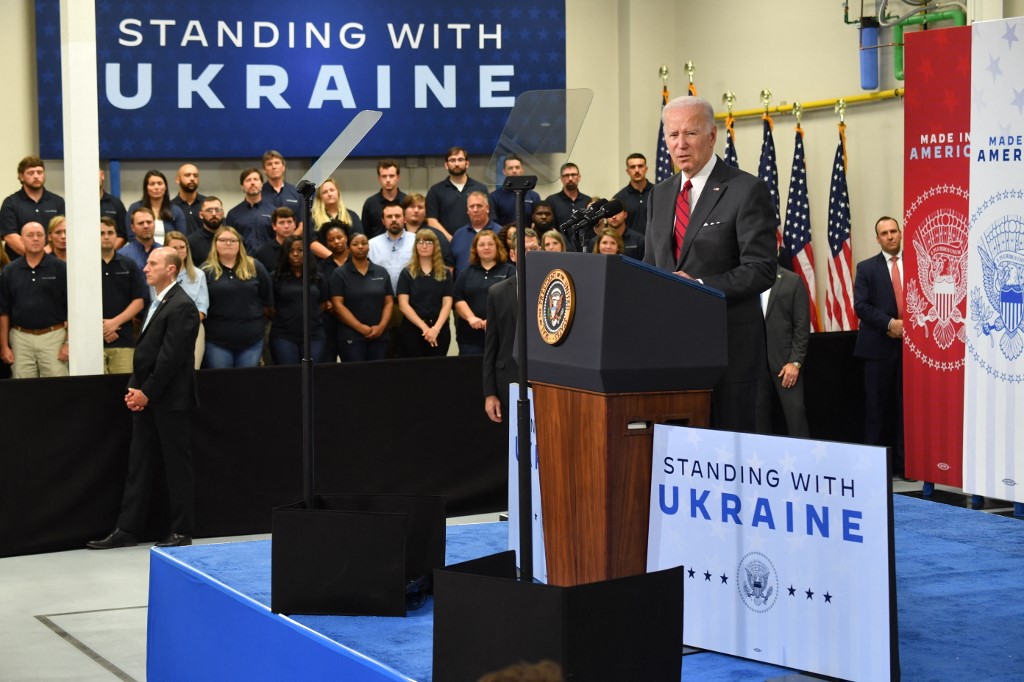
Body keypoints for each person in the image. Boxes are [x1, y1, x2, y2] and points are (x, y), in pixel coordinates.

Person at [643, 96, 777, 433]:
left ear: (713, 135)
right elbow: (650, 264)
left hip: (728, 347)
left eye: (690, 133)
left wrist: (700, 289)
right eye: (672, 135)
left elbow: (761, 268)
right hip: (669, 347)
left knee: (726, 442)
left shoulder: (746, 189)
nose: (680, 144)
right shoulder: (659, 195)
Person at [87, 247, 200, 550]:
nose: (145, 268)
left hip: (170, 400)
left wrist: (147, 392)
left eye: (152, 264)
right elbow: (147, 354)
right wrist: (135, 390)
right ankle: (128, 528)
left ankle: (181, 529)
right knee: (139, 464)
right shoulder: (158, 302)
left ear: (171, 270)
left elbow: (170, 358)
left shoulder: (182, 306)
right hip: (147, 396)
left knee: (176, 466)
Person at [854, 216, 906, 475]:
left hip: (912, 351)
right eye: (884, 233)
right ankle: (873, 469)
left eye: (893, 231)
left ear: (900, 233)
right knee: (876, 408)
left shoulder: (920, 265)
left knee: (907, 409)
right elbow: (861, 306)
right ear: (878, 239)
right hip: (878, 349)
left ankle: (905, 464)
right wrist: (889, 324)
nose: (890, 236)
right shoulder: (866, 268)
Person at [483, 228, 540, 423]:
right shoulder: (497, 293)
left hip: (545, 382)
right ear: (513, 255)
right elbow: (492, 345)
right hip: (509, 381)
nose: (531, 254)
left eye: (535, 249)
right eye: (525, 249)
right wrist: (489, 393)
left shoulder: (554, 288)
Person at [0, 221, 69, 378]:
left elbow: (71, 308)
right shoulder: (10, 270)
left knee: (58, 387)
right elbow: (3, 311)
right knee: (23, 390)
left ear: (46, 238)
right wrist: (4, 346)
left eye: (39, 235)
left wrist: (68, 343)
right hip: (20, 338)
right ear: (22, 239)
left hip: (54, 337)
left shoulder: (60, 268)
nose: (35, 239)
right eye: (30, 235)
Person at [201, 226, 273, 369]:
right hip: (217, 341)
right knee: (222, 384)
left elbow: (268, 300)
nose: (228, 243)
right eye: (223, 240)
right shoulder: (205, 271)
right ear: (215, 243)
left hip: (251, 340)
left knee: (246, 385)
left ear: (239, 244)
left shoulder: (255, 267)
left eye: (233, 240)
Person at [756, 267, 811, 438]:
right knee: (758, 421)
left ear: (777, 247)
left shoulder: (793, 280)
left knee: (795, 419)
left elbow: (801, 326)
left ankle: (803, 460)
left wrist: (795, 361)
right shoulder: (749, 280)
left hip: (785, 364)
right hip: (755, 365)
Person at [328, 232, 394, 362]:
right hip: (351, 336)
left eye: (364, 243)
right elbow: (338, 305)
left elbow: (389, 302)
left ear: (369, 246)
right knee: (356, 377)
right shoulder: (339, 274)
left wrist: (381, 327)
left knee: (378, 376)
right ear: (349, 247)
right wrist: (360, 327)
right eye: (355, 244)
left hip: (379, 335)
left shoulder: (381, 271)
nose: (360, 247)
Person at [269, 236, 328, 365]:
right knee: (289, 376)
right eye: (291, 251)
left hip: (314, 335)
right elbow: (270, 308)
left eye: (300, 250)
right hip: (283, 335)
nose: (295, 254)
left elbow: (324, 304)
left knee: (313, 375)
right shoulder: (275, 277)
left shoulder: (318, 277)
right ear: (285, 253)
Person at [454, 230, 514, 355]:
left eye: (490, 244)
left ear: (497, 247)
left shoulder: (509, 270)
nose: (486, 248)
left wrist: (493, 320)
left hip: (501, 336)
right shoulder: (466, 273)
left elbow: (513, 299)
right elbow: (457, 298)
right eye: (481, 245)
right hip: (470, 339)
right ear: (475, 249)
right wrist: (471, 318)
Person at [396, 228, 454, 357]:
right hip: (413, 329)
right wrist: (425, 328)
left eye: (428, 242)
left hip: (439, 329)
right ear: (415, 246)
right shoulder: (407, 273)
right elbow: (403, 305)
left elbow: (447, 303)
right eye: (420, 242)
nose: (424, 245)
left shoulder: (445, 273)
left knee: (437, 371)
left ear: (436, 246)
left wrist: (435, 329)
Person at [100, 217, 147, 374]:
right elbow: (78, 302)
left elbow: (139, 301)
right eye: (101, 233)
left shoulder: (129, 264)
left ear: (116, 235)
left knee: (122, 389)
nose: (106, 236)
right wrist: (101, 328)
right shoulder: (84, 265)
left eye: (110, 232)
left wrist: (114, 323)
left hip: (123, 339)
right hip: (91, 341)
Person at [0, 156, 65, 260]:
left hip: (52, 262)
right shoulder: (10, 203)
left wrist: (45, 257)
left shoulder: (58, 201)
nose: (36, 176)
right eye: (31, 173)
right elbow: (10, 237)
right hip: (18, 263)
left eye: (39, 172)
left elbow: (61, 232)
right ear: (21, 177)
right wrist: (35, 256)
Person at [164, 230, 210, 370]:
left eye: (182, 247)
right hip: (166, 328)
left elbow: (202, 305)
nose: (179, 251)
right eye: (174, 248)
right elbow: (157, 302)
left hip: (193, 327)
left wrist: (187, 323)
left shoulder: (198, 274)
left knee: (191, 369)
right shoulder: (160, 274)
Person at [425, 146, 488, 238]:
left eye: (460, 160)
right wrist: (452, 240)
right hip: (446, 246)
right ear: (446, 165)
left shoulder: (481, 189)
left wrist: (478, 240)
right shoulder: (435, 190)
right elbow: (431, 220)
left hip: (477, 244)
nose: (457, 164)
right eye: (452, 160)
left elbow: (488, 218)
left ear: (467, 163)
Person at [318, 221, 350, 362]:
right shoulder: (321, 267)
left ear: (346, 237)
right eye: (331, 239)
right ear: (326, 243)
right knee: (328, 362)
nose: (336, 242)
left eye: (339, 237)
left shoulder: (359, 261)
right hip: (329, 321)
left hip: (355, 320)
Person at [450, 191, 502, 279]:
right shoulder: (458, 235)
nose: (475, 210)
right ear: (467, 210)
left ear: (487, 208)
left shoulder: (500, 232)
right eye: (472, 206)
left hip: (494, 289)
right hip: (463, 290)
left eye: (479, 206)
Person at [126, 170, 187, 243]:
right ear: (146, 188)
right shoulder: (135, 208)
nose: (156, 187)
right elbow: (131, 236)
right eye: (152, 184)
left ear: (165, 187)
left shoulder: (176, 211)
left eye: (160, 183)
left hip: (169, 253)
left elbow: (181, 238)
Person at [310, 177, 363, 259]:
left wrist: (345, 259)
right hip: (322, 264)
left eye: (332, 190)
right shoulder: (312, 218)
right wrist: (333, 258)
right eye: (325, 192)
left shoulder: (351, 215)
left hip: (348, 263)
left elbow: (359, 239)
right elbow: (312, 242)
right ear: (319, 197)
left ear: (338, 192)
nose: (329, 194)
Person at [225, 168, 273, 253]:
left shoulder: (273, 212)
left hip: (269, 262)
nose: (252, 183)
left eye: (256, 179)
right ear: (242, 186)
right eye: (248, 180)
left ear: (262, 184)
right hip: (242, 262)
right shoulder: (233, 214)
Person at [489, 154, 541, 226]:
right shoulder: (495, 197)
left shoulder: (534, 196)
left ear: (522, 170)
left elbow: (537, 222)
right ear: (504, 172)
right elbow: (493, 223)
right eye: (510, 168)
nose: (514, 171)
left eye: (517, 167)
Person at [404, 192, 453, 268]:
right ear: (404, 210)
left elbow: (448, 265)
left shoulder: (436, 235)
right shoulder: (397, 234)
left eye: (420, 207)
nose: (416, 210)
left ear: (425, 211)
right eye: (412, 206)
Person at [361, 159, 406, 238]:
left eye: (391, 176)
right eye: (384, 176)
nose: (388, 180)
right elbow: (365, 233)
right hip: (376, 249)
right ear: (379, 178)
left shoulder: (407, 201)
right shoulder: (370, 203)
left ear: (398, 177)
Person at [544, 162, 591, 237]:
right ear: (561, 178)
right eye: (566, 175)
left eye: (573, 175)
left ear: (579, 177)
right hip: (560, 245)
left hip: (584, 244)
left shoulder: (588, 201)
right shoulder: (551, 201)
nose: (570, 178)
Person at [613, 153, 653, 237]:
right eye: (632, 167)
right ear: (627, 171)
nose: (637, 170)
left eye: (640, 166)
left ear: (646, 169)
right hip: (630, 246)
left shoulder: (658, 192)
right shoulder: (619, 198)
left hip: (655, 244)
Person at [261, 150, 303, 229]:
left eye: (277, 163)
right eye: (269, 164)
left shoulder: (296, 193)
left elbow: (302, 223)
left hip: (292, 240)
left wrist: (291, 240)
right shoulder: (259, 194)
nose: (274, 167)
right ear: (264, 170)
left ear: (283, 167)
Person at [253, 207, 297, 272]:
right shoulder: (262, 253)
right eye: (281, 222)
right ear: (274, 226)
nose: (286, 226)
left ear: (295, 224)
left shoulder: (305, 249)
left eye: (289, 222)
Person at [187, 196, 224, 265]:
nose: (214, 214)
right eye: (209, 210)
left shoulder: (233, 239)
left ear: (223, 213)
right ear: (201, 215)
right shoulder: (191, 242)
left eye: (218, 210)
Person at [171, 163, 205, 234]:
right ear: (177, 180)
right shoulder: (170, 207)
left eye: (195, 176)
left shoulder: (207, 204)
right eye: (187, 175)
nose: (192, 178)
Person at [99, 169, 128, 248]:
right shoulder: (76, 205)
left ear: (102, 175)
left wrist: (109, 251)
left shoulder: (116, 203)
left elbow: (123, 234)